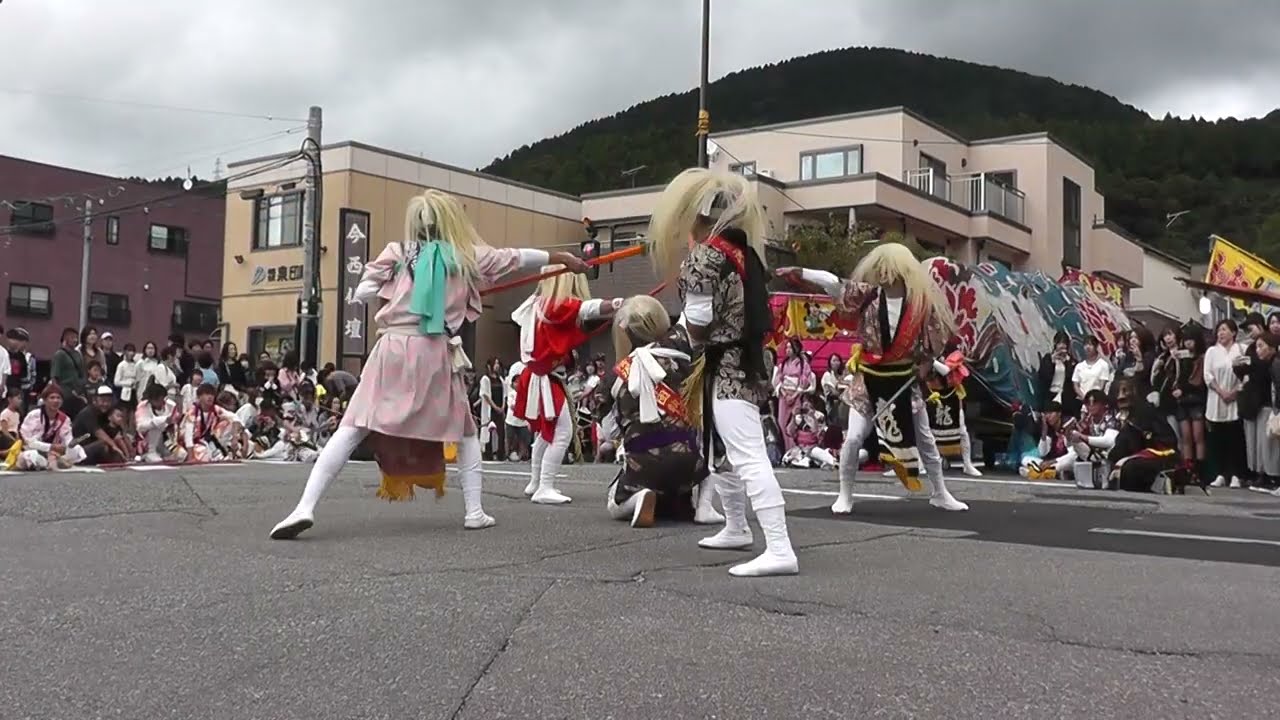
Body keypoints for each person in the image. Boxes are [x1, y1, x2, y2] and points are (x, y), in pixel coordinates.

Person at [270, 189, 589, 539]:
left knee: (354, 426)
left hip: (390, 347)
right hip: (434, 350)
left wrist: (395, 286)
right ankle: (475, 512)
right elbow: (516, 257)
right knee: (466, 433)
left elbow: (363, 291)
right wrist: (562, 258)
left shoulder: (397, 252)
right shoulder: (466, 257)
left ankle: (304, 507)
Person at [646, 167, 798, 577]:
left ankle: (780, 547)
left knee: (747, 455)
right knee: (723, 452)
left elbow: (696, 321)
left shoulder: (706, 256)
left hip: (726, 363)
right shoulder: (744, 253)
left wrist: (665, 347)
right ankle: (735, 526)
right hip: (740, 361)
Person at [776, 244, 969, 515]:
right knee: (853, 438)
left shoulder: (919, 305)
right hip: (868, 380)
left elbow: (931, 344)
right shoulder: (867, 296)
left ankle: (940, 492)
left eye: (889, 270)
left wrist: (924, 366)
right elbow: (834, 283)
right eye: (881, 269)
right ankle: (845, 494)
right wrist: (803, 271)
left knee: (925, 439)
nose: (883, 275)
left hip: (903, 381)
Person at [593, 294, 724, 527]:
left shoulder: (614, 376)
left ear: (625, 331)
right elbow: (692, 316)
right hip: (690, 465)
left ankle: (638, 498)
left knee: (614, 501)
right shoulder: (684, 354)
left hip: (643, 465)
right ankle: (704, 506)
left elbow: (610, 431)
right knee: (706, 442)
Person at [511, 271, 622, 505]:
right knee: (562, 433)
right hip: (545, 378)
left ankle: (536, 482)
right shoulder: (553, 305)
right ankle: (545, 485)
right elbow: (586, 309)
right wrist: (614, 304)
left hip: (538, 375)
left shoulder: (536, 304)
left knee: (546, 432)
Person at [1204, 318, 1245, 487]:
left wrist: (1234, 392)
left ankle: (1236, 474)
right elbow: (1207, 375)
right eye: (1219, 330)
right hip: (1216, 399)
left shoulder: (1241, 350)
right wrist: (1221, 391)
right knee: (1218, 439)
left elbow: (1246, 375)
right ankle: (1220, 474)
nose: (1221, 333)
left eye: (1224, 329)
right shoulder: (1212, 351)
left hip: (1235, 400)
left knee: (1235, 439)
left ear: (1233, 332)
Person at [15, 384, 86, 470]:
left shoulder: (65, 419)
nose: (55, 401)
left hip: (55, 452)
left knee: (77, 449)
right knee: (31, 456)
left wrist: (70, 444)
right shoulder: (34, 415)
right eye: (52, 398)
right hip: (34, 450)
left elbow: (67, 439)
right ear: (45, 400)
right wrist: (51, 447)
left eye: (58, 398)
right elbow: (29, 441)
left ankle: (56, 461)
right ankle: (49, 462)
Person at [72, 387, 132, 465]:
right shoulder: (88, 413)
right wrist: (115, 446)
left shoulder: (107, 413)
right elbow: (98, 432)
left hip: (95, 447)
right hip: (80, 449)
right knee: (104, 444)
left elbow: (118, 433)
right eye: (103, 401)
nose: (106, 404)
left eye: (108, 401)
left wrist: (129, 449)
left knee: (114, 443)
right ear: (95, 400)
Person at [773, 339, 815, 451]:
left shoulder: (803, 364)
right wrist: (783, 392)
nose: (787, 350)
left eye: (790, 347)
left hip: (796, 395)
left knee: (793, 423)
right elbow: (778, 380)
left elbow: (804, 381)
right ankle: (785, 450)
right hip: (784, 395)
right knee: (781, 422)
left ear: (796, 349)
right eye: (786, 347)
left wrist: (795, 394)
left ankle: (794, 449)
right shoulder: (782, 365)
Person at [1019, 401, 1077, 480]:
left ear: (1059, 414)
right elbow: (1043, 452)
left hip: (1063, 461)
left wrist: (1052, 461)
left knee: (1065, 462)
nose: (1048, 416)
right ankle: (1052, 474)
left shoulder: (1068, 426)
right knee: (1025, 459)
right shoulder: (1049, 429)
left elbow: (1072, 453)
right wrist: (1044, 431)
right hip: (1050, 462)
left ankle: (1035, 472)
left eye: (1050, 413)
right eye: (1046, 414)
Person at [135, 382, 186, 463]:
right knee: (155, 426)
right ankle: (148, 454)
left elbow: (177, 420)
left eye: (160, 398)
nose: (158, 401)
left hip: (167, 439)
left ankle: (166, 456)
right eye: (155, 399)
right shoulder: (143, 406)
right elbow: (140, 427)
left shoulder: (171, 405)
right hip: (149, 442)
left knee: (181, 454)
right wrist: (162, 420)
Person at [1038, 332, 1080, 417]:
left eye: (1064, 343)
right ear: (1055, 344)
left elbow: (1072, 379)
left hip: (1065, 397)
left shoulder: (1072, 361)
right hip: (1051, 395)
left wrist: (1067, 362)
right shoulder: (1048, 358)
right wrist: (1052, 362)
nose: (1062, 346)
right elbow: (1043, 377)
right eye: (1059, 343)